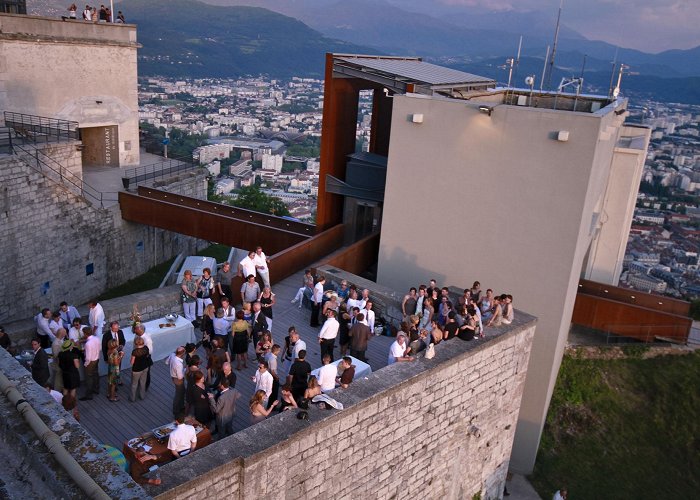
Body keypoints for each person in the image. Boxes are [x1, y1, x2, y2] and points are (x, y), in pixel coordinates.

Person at [80, 327, 100, 400]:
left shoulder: (88, 344)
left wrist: (86, 364)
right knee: (95, 374)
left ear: (85, 334)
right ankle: (96, 389)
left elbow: (88, 358)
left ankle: (89, 395)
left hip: (90, 362)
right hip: (96, 359)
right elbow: (99, 348)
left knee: (89, 378)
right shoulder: (96, 338)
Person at [167, 346, 186, 418]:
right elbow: (180, 377)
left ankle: (181, 406)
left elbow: (166, 362)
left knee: (182, 392)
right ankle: (176, 410)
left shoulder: (172, 355)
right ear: (183, 353)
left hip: (173, 377)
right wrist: (185, 369)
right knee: (178, 394)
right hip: (178, 380)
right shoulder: (179, 364)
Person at [130, 336, 150, 402]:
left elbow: (132, 362)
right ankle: (142, 396)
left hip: (136, 369)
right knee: (143, 382)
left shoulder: (134, 352)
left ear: (136, 343)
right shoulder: (146, 348)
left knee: (134, 384)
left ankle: (132, 398)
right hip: (145, 367)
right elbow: (147, 356)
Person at [51, 328, 66, 393]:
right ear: (62, 334)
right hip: (58, 365)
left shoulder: (59, 341)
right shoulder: (56, 343)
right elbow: (56, 355)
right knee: (58, 380)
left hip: (61, 364)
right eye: (65, 333)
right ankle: (57, 392)